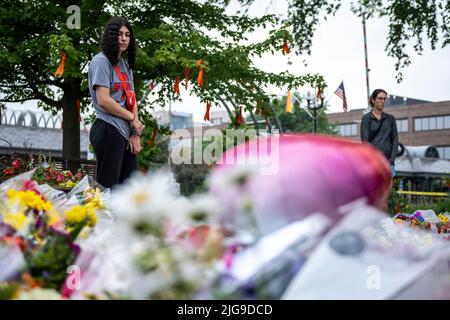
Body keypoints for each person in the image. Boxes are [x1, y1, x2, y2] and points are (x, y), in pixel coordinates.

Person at [88, 17, 143, 188]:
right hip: (108, 127)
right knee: (107, 186)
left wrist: (135, 132)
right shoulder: (101, 61)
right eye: (119, 34)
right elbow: (103, 100)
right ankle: (99, 215)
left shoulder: (125, 65)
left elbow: (131, 97)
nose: (124, 38)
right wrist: (130, 117)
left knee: (129, 187)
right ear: (111, 37)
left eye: (127, 35)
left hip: (126, 130)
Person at [361, 89, 399, 177]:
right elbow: (365, 142)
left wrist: (391, 160)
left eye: (384, 99)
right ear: (373, 100)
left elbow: (395, 140)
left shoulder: (390, 119)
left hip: (388, 163)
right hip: (372, 163)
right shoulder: (366, 118)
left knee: (386, 190)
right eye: (380, 98)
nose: (383, 101)